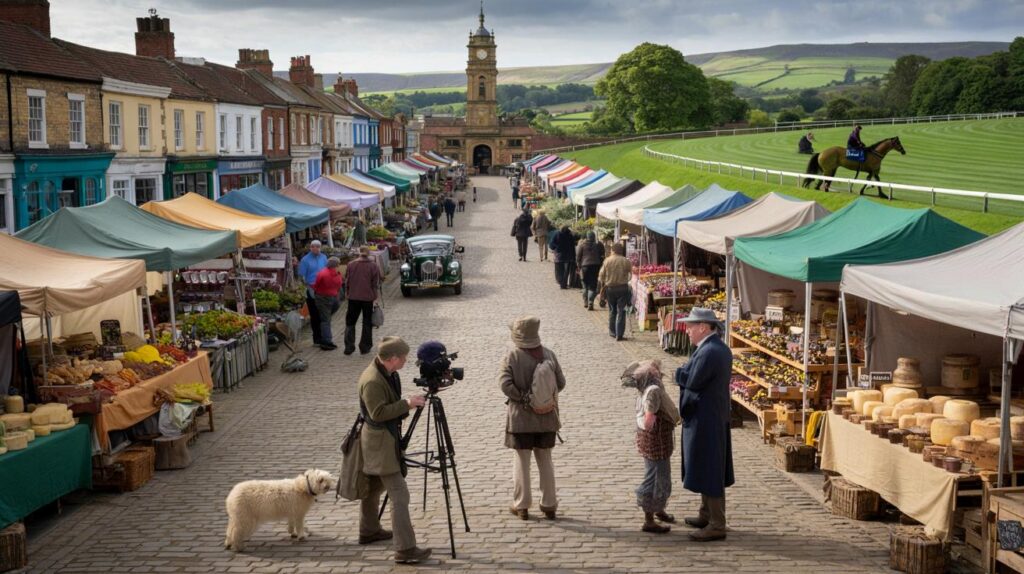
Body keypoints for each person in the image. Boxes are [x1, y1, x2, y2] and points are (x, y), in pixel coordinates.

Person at [357, 336, 432, 564]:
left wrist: (405, 403)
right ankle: (405, 549)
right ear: (392, 359)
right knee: (399, 494)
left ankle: (369, 530)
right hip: (380, 444)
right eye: (403, 358)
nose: (406, 361)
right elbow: (377, 413)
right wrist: (407, 404)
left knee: (374, 487)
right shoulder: (372, 380)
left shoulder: (386, 372)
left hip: (382, 440)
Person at [675, 308, 735, 542]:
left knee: (710, 467)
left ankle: (717, 523)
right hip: (710, 415)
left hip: (707, 417)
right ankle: (706, 513)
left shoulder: (710, 351)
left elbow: (692, 380)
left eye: (690, 326)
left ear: (703, 327)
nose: (687, 330)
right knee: (704, 464)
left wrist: (678, 373)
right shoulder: (712, 348)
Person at [499, 316, 566, 521]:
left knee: (521, 462)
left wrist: (524, 398)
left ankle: (522, 505)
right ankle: (549, 504)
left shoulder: (512, 357)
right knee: (545, 461)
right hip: (547, 418)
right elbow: (561, 383)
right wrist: (542, 398)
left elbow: (505, 384)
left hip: (521, 420)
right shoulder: (549, 355)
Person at [622, 359, 681, 534]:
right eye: (656, 371)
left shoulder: (649, 389)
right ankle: (649, 518)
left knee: (662, 475)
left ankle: (659, 509)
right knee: (656, 478)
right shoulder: (653, 391)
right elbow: (649, 420)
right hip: (656, 441)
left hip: (656, 441)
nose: (659, 372)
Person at [344, 246, 382, 355]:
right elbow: (375, 284)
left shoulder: (351, 265)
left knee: (350, 322)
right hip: (367, 298)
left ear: (359, 253)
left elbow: (347, 281)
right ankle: (365, 347)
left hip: (353, 297)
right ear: (369, 253)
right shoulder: (373, 265)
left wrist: (348, 293)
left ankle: (349, 347)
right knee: (367, 322)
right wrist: (375, 297)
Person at [598, 243, 632, 340]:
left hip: (610, 288)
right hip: (622, 288)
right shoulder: (626, 261)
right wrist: (625, 280)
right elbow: (631, 275)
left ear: (613, 250)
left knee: (612, 310)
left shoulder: (607, 260)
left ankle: (612, 332)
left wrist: (603, 284)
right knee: (621, 311)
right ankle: (619, 334)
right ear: (621, 251)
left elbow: (601, 276)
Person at [297, 240, 328, 347]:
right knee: (314, 314)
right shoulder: (305, 260)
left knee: (323, 313)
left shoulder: (324, 257)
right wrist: (307, 286)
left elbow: (327, 270)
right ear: (310, 248)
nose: (316, 248)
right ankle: (317, 338)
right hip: (311, 289)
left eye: (318, 246)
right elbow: (301, 276)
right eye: (313, 246)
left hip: (323, 289)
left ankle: (325, 336)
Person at [312, 257, 344, 350]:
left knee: (325, 320)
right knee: (326, 318)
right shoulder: (338, 275)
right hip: (334, 298)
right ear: (336, 265)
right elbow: (339, 286)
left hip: (322, 298)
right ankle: (326, 339)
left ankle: (326, 341)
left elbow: (316, 285)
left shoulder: (322, 273)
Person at [576, 231, 605, 309]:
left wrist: (579, 267)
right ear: (594, 237)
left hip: (584, 267)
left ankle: (585, 301)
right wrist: (600, 264)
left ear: (587, 237)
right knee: (592, 285)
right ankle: (591, 302)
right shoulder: (599, 245)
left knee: (585, 285)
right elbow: (603, 255)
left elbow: (578, 257)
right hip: (595, 266)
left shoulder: (581, 245)